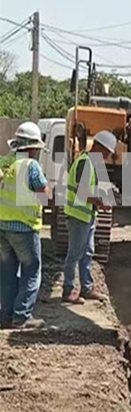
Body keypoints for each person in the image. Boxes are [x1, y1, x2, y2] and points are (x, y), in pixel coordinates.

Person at [0, 122, 50, 329]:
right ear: (30, 148)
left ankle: (6, 315)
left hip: (1, 227)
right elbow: (45, 195)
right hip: (24, 228)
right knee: (31, 270)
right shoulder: (31, 166)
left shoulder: (3, 162)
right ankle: (21, 316)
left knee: (7, 272)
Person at [62, 130, 116, 304]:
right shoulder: (85, 163)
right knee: (75, 254)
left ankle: (86, 288)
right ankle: (68, 290)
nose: (107, 157)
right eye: (106, 152)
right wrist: (100, 202)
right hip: (78, 217)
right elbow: (81, 191)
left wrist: (99, 201)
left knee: (87, 253)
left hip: (87, 216)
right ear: (98, 147)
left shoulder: (91, 164)